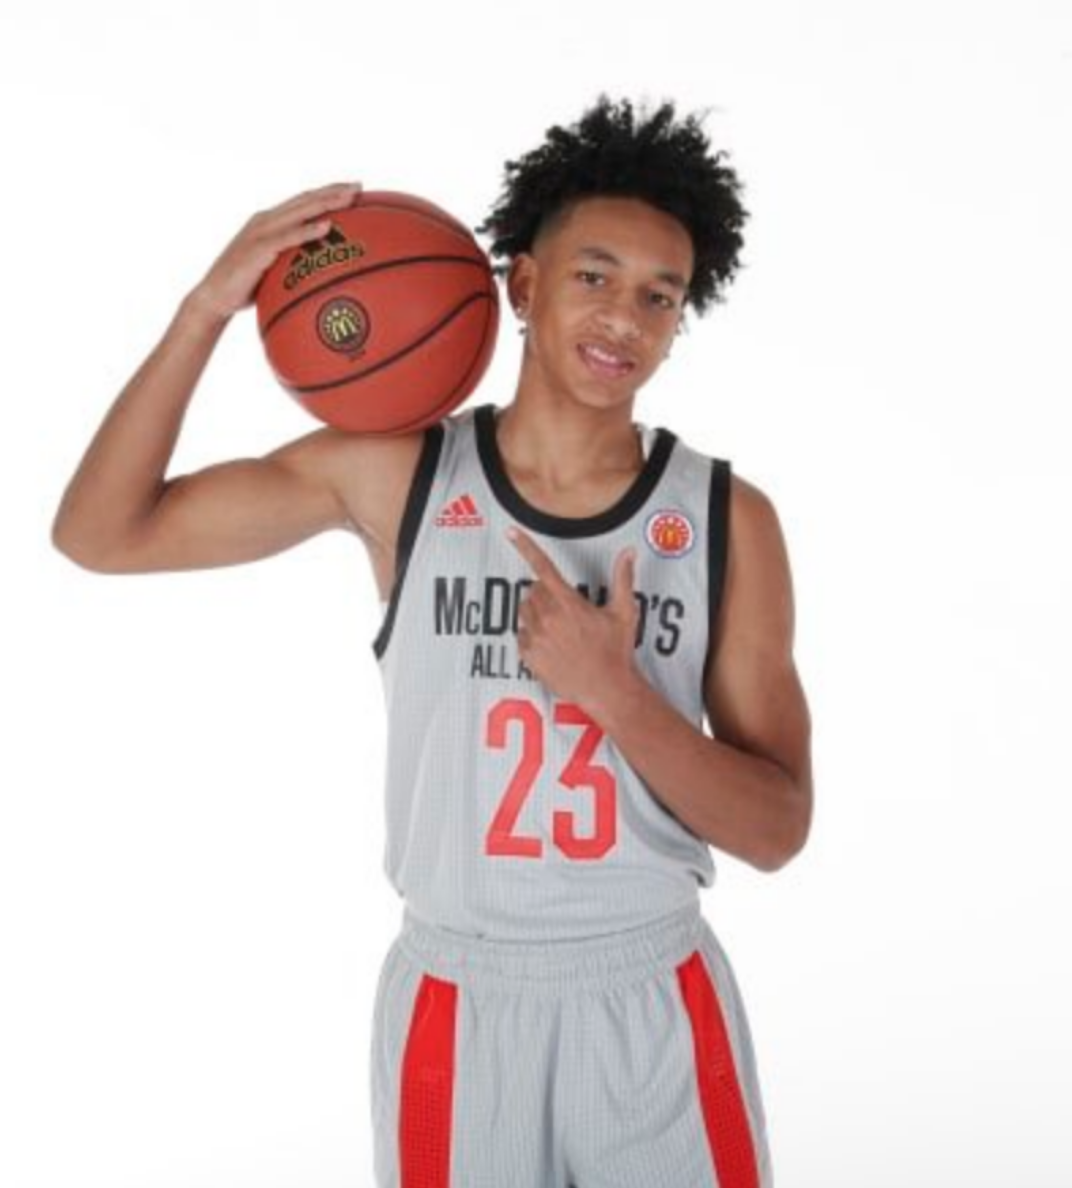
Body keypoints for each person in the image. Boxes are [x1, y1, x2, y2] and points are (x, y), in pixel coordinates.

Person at [53, 96, 813, 1188]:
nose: (624, 320)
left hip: (649, 990)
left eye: (661, 296)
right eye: (594, 277)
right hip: (460, 999)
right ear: (524, 285)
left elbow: (777, 830)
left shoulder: (726, 518)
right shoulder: (398, 474)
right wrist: (207, 308)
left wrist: (618, 697)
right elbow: (100, 533)